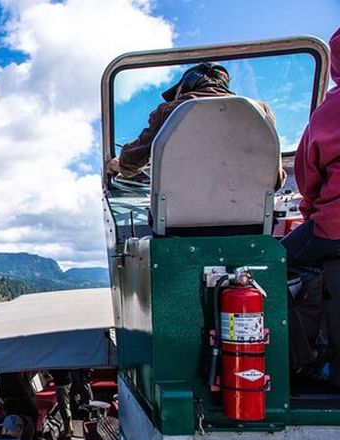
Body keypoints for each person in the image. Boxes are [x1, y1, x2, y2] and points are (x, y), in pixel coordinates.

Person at [107, 62, 282, 183]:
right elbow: (276, 178)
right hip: (250, 217)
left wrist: (119, 164)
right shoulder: (260, 111)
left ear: (187, 86)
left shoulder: (169, 110)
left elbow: (132, 161)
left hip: (176, 220)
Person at [281, 27, 340, 382]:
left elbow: (309, 177)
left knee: (272, 266)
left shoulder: (330, 110)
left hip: (334, 224)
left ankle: (304, 361)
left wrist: (313, 217)